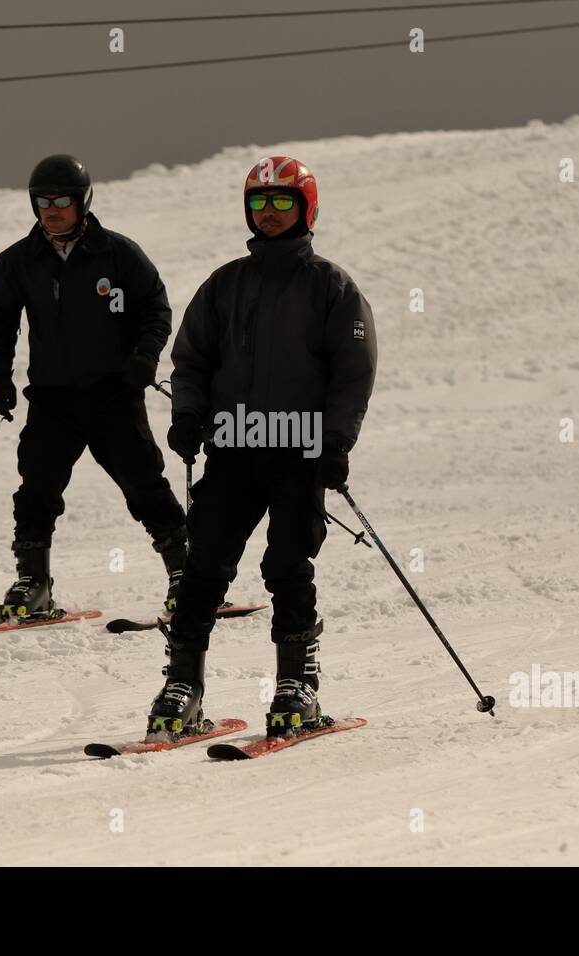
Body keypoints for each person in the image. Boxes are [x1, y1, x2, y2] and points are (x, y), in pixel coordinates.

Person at [147, 156, 377, 739]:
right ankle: (184, 685)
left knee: (287, 564)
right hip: (234, 449)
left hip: (299, 452)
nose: (269, 215)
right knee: (203, 566)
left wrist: (334, 443)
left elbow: (353, 373)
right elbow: (192, 359)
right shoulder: (226, 284)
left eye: (281, 203)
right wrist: (189, 415)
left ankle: (295, 686)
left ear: (306, 209)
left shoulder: (332, 287)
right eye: (259, 204)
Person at [0, 154, 186, 621]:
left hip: (113, 394)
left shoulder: (117, 254)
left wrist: (144, 358)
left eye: (62, 201)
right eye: (43, 201)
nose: (51, 210)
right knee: (36, 487)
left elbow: (156, 308)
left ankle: (186, 574)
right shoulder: (19, 262)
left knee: (144, 484)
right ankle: (34, 583)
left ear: (83, 201)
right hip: (53, 397)